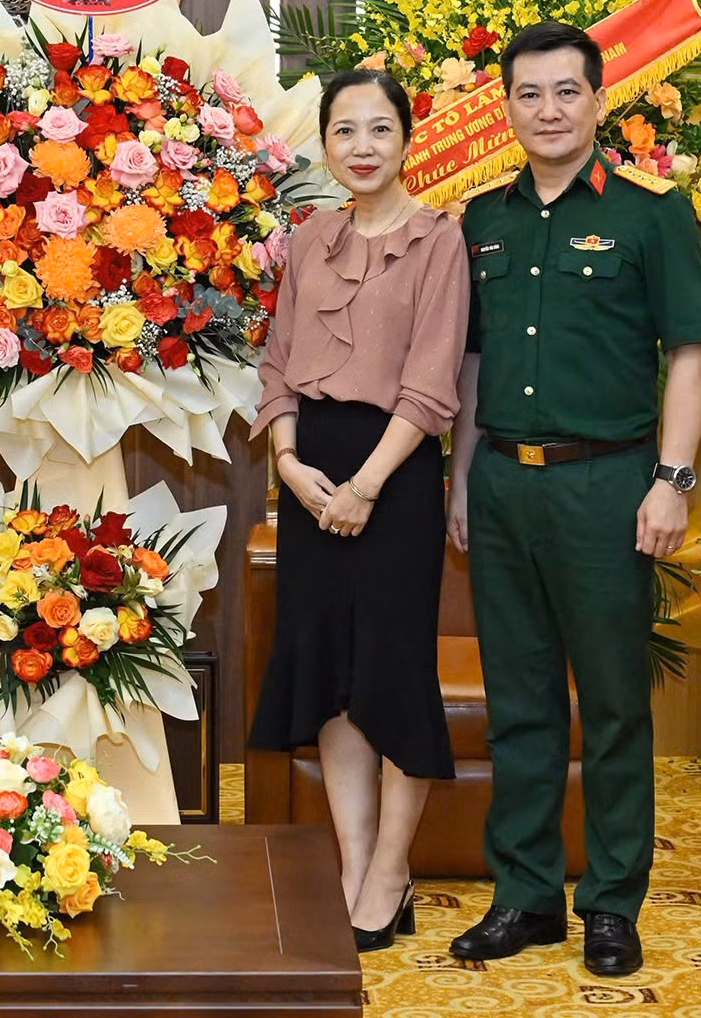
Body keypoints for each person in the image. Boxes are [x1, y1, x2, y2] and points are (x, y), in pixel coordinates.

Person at [445, 22, 701, 977]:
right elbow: (471, 359)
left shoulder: (651, 212)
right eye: (530, 94)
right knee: (520, 705)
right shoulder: (483, 218)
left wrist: (673, 481)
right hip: (504, 484)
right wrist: (462, 472)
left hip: (610, 485)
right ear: (506, 106)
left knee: (609, 705)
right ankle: (525, 896)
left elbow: (688, 351)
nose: (549, 110)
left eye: (567, 92)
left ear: (600, 101)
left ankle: (609, 903)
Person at [248, 68, 469, 951]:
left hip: (397, 475)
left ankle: (391, 870)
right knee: (332, 676)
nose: (364, 148)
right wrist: (289, 464)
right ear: (325, 143)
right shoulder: (307, 238)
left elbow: (432, 382)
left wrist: (369, 485)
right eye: (346, 131)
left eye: (380, 130)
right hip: (311, 475)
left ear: (408, 139)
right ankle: (352, 862)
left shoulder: (438, 241)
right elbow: (275, 364)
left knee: (391, 669)